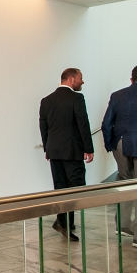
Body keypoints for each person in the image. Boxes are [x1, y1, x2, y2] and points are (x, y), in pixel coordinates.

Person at [39, 68, 94, 242]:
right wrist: (89, 148)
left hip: (54, 151)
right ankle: (63, 222)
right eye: (80, 78)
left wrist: (48, 148)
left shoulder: (46, 100)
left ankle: (65, 222)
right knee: (75, 187)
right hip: (72, 151)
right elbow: (83, 124)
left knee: (60, 187)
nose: (82, 82)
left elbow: (43, 127)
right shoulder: (77, 98)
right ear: (71, 79)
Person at [102, 65, 137, 248]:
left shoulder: (117, 95)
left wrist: (110, 145)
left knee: (125, 182)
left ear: (131, 79)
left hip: (120, 144)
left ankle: (122, 225)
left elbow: (106, 123)